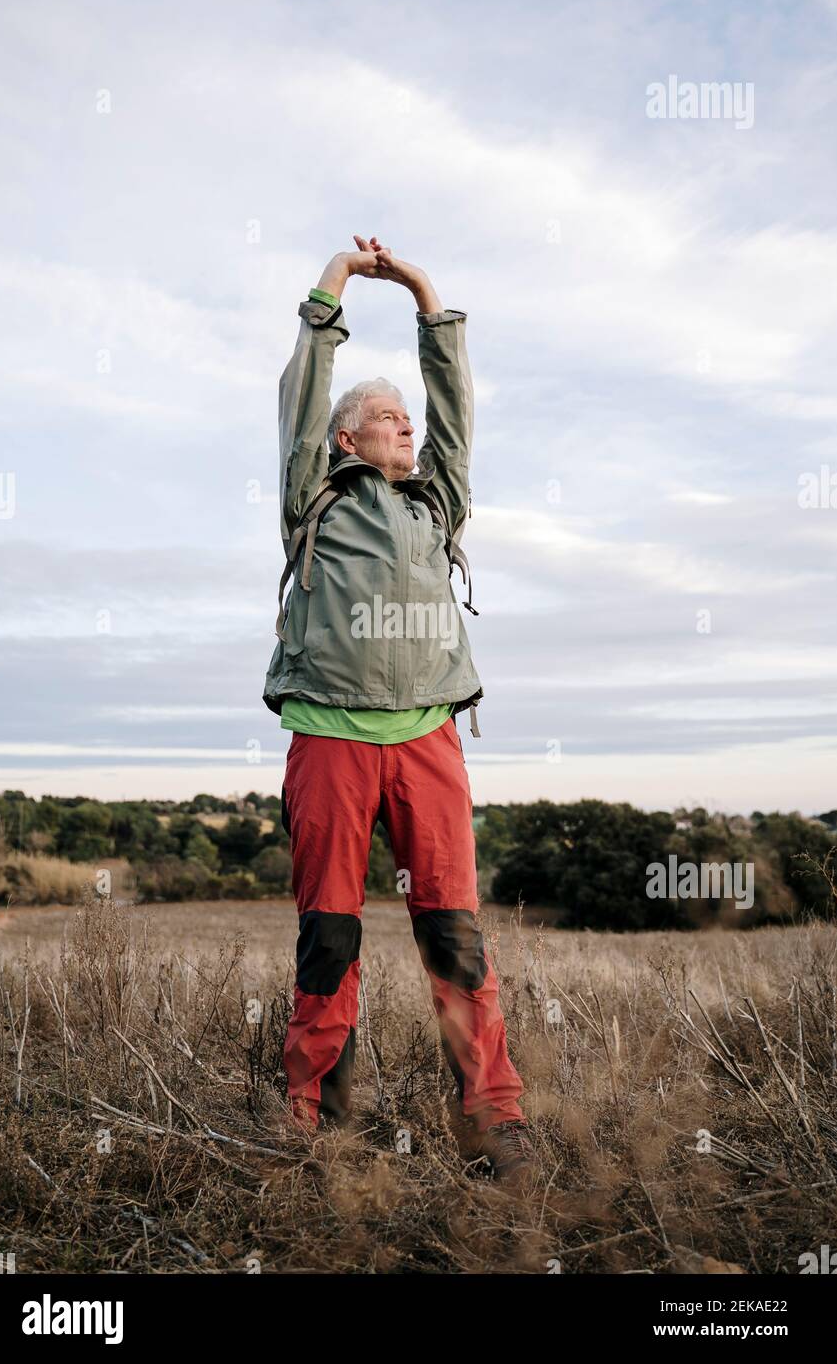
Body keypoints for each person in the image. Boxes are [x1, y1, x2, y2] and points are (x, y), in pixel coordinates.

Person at [264, 234, 534, 1183]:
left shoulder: (435, 508)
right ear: (345, 440)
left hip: (427, 737)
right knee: (329, 933)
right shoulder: (315, 500)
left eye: (405, 420)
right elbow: (302, 393)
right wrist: (335, 283)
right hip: (330, 736)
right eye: (387, 420)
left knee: (452, 931)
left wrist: (426, 295)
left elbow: (456, 416)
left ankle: (492, 1117)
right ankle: (312, 1116)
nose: (405, 430)